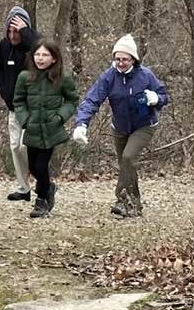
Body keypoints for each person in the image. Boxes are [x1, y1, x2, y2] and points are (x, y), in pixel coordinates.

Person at [72, 34, 169, 217]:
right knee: (125, 164)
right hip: (120, 127)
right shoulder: (109, 77)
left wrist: (157, 99)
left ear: (133, 59)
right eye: (117, 59)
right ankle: (133, 204)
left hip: (144, 124)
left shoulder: (146, 75)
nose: (121, 63)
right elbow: (92, 100)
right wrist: (81, 124)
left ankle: (122, 200)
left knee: (128, 157)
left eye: (125, 59)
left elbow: (164, 95)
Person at [12, 40, 79, 218]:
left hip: (51, 130)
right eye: (37, 54)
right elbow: (18, 101)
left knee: (41, 166)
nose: (40, 58)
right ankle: (48, 187)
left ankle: (41, 201)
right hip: (32, 129)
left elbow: (72, 101)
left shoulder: (63, 79)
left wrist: (59, 117)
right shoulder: (24, 77)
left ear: (54, 59)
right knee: (33, 167)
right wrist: (25, 119)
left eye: (45, 55)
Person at [0, 6, 40, 202]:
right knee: (15, 147)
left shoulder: (34, 48)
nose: (13, 35)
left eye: (17, 31)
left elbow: (41, 47)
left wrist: (26, 32)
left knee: (25, 146)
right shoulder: (4, 46)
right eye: (10, 31)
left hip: (31, 108)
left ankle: (42, 181)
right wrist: (4, 91)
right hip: (12, 107)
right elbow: (0, 70)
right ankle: (23, 187)